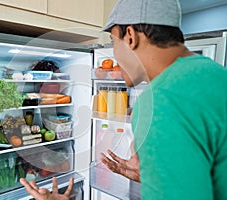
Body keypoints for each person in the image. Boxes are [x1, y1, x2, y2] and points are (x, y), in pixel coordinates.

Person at [21, 0, 227, 199]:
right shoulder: (215, 74)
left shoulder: (161, 100)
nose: (114, 52)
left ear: (130, 36)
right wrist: (152, 176)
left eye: (112, 41)